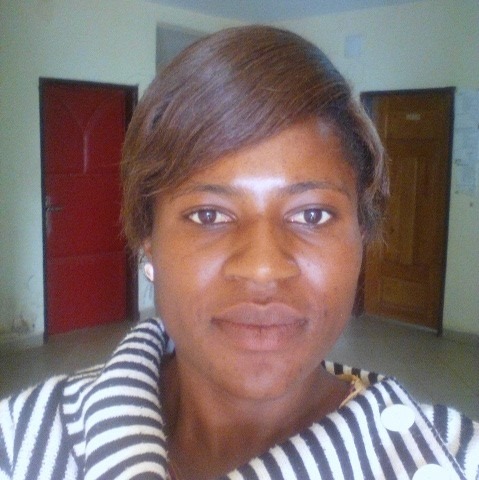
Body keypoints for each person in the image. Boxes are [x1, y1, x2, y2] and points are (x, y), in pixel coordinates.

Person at [0, 26, 477, 480]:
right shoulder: (19, 441)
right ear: (148, 239)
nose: (263, 269)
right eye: (208, 214)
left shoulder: (453, 456)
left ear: (361, 236)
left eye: (312, 214)